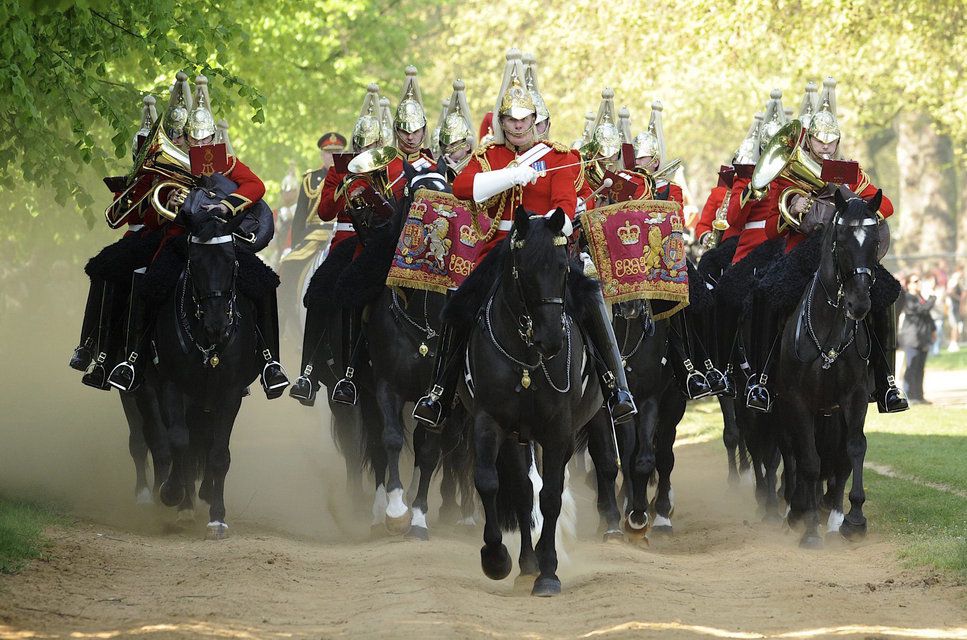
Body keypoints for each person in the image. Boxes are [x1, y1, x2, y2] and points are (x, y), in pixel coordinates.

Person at [412, 48, 636, 428]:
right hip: (498, 250)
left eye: (524, 119)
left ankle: (615, 387)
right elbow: (463, 187)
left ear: (535, 120)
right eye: (510, 120)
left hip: (546, 248)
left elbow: (564, 206)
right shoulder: (490, 156)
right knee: (459, 303)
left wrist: (546, 226)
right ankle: (440, 392)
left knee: (590, 298)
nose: (517, 127)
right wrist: (511, 176)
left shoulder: (558, 157)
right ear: (502, 122)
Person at [106, 74, 289, 399]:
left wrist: (225, 204)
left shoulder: (222, 161)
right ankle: (133, 358)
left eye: (203, 139)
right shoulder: (165, 165)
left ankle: (269, 361)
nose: (198, 145)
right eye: (193, 139)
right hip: (181, 241)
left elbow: (256, 186)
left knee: (263, 282)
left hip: (221, 240)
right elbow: (147, 216)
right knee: (149, 283)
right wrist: (170, 204)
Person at [771, 77, 906, 413]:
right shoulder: (790, 173)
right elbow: (776, 220)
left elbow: (886, 205)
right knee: (768, 293)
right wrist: (796, 207)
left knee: (886, 293)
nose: (826, 147)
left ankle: (885, 381)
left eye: (832, 141)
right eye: (820, 141)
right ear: (809, 140)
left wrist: (852, 200)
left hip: (846, 253)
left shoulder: (852, 173)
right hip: (805, 249)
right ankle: (762, 378)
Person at [898, 273, 935, 403]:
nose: (919, 283)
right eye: (915, 281)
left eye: (919, 281)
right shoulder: (908, 297)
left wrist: (933, 330)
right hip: (912, 338)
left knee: (920, 368)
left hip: (923, 337)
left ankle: (919, 396)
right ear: (908, 285)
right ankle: (909, 396)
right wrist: (932, 297)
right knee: (911, 367)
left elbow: (927, 316)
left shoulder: (920, 297)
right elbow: (921, 310)